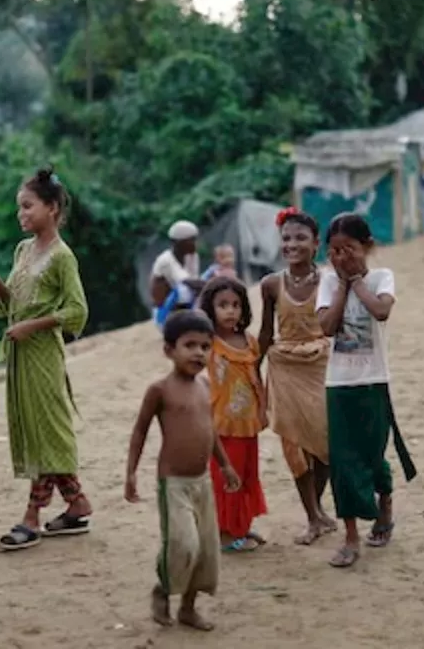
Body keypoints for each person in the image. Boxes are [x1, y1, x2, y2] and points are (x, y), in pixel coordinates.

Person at [0, 166, 91, 552]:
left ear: (52, 209)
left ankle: (31, 517)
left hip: (42, 355)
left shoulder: (62, 257)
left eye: (28, 206)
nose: (21, 214)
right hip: (20, 354)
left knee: (48, 430)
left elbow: (77, 311)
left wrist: (32, 327)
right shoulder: (23, 250)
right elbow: (11, 308)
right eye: (19, 208)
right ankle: (76, 502)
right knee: (38, 429)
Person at [125, 310, 241, 632]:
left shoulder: (205, 386)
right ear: (169, 350)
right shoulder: (159, 390)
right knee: (183, 545)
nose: (198, 353)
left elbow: (209, 430)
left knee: (205, 550)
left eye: (205, 347)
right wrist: (131, 472)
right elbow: (139, 431)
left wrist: (225, 464)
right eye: (189, 345)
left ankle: (188, 608)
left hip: (202, 482)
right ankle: (163, 588)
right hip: (173, 483)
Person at [316, 212, 417, 569]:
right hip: (338, 383)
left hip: (374, 379)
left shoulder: (381, 278)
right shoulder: (328, 282)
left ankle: (384, 506)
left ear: (367, 247)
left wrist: (357, 281)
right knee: (342, 461)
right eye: (335, 251)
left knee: (374, 453)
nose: (342, 257)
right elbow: (327, 327)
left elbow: (381, 311)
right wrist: (342, 285)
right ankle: (350, 537)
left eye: (350, 249)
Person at [257, 207, 336, 546]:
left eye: (301, 238)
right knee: (293, 445)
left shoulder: (330, 281)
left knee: (324, 442)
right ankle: (313, 516)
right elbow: (263, 332)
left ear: (316, 244)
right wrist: (251, 371)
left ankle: (318, 509)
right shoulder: (271, 284)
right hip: (284, 367)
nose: (292, 244)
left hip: (322, 366)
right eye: (286, 238)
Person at [197, 276, 269, 552]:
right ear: (210, 309)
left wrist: (263, 410)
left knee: (247, 475)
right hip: (221, 426)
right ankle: (226, 535)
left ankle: (241, 526)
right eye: (223, 305)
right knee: (226, 478)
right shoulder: (208, 343)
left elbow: (255, 378)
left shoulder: (250, 342)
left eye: (236, 305)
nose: (230, 310)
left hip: (248, 424)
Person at [151, 221, 205, 326]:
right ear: (178, 243)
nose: (196, 244)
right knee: (184, 289)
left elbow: (197, 283)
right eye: (191, 240)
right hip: (165, 314)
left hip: (187, 307)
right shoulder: (165, 260)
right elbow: (188, 282)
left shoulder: (192, 256)